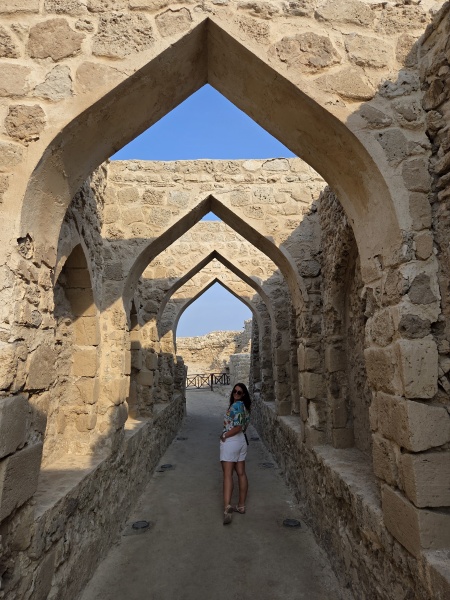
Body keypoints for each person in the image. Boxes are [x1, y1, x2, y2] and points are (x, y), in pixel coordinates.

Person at [219, 382, 251, 525]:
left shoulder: (236, 406)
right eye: (235, 391)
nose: (236, 394)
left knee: (227, 475)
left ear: (243, 395)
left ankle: (227, 508)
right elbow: (244, 426)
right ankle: (241, 505)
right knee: (241, 473)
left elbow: (237, 427)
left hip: (231, 441)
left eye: (239, 392)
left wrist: (224, 435)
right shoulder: (245, 407)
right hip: (241, 441)